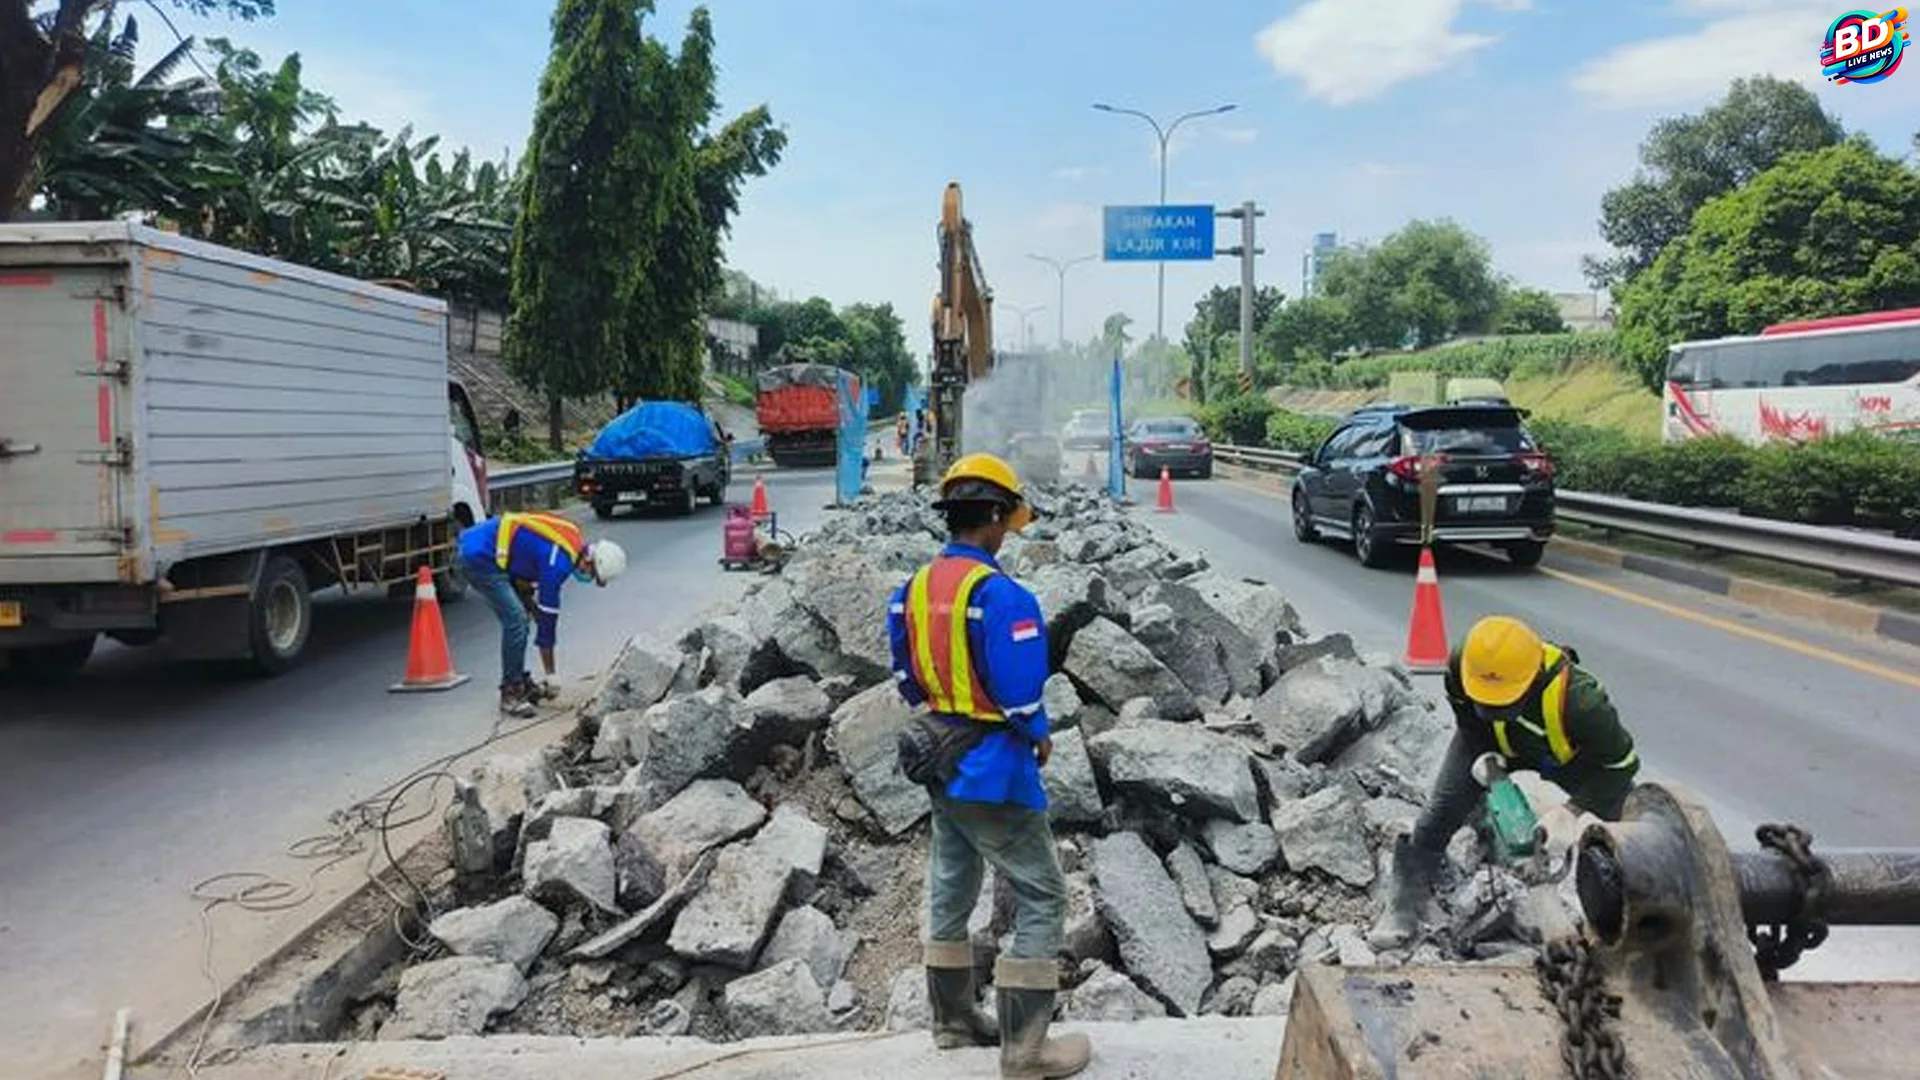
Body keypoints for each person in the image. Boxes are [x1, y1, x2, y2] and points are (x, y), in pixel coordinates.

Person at [887, 453, 1090, 1080]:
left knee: (952, 880)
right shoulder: (1002, 595)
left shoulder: (914, 587)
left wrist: (948, 707)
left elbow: (905, 675)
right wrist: (1038, 733)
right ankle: (1025, 1050)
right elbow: (1022, 693)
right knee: (1042, 893)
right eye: (1008, 521)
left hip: (937, 755)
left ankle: (952, 1021)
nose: (1008, 533)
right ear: (996, 516)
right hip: (992, 767)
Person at [1371, 614, 1641, 949]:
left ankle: (1637, 915)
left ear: (1532, 679)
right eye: (1483, 698)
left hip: (1568, 759)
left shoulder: (1581, 703)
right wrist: (1485, 761)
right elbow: (1467, 718)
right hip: (1488, 743)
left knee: (1631, 830)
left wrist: (1571, 811)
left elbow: (1621, 765)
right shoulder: (1462, 666)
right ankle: (1403, 906)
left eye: (1502, 700)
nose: (1490, 706)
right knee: (1441, 811)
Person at [457, 511, 626, 718]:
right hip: (481, 556)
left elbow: (527, 552)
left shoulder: (572, 537)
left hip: (491, 545)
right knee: (517, 621)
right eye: (592, 575)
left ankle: (520, 679)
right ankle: (511, 692)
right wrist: (551, 674)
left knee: (524, 616)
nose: (587, 577)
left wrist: (533, 607)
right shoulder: (558, 565)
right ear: (589, 562)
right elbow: (547, 627)